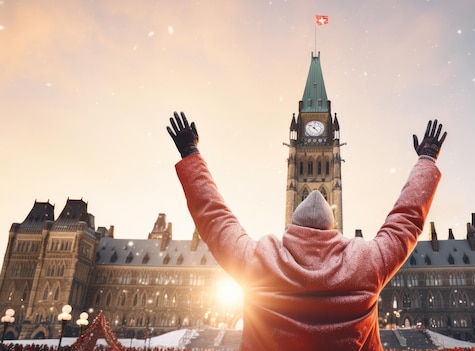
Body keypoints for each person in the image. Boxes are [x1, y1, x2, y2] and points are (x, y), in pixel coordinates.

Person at [167, 111, 447, 351]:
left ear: (294, 223)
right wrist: (426, 159)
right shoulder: (365, 263)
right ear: (331, 226)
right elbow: (406, 220)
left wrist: (191, 154)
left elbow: (215, 219)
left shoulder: (261, 261)